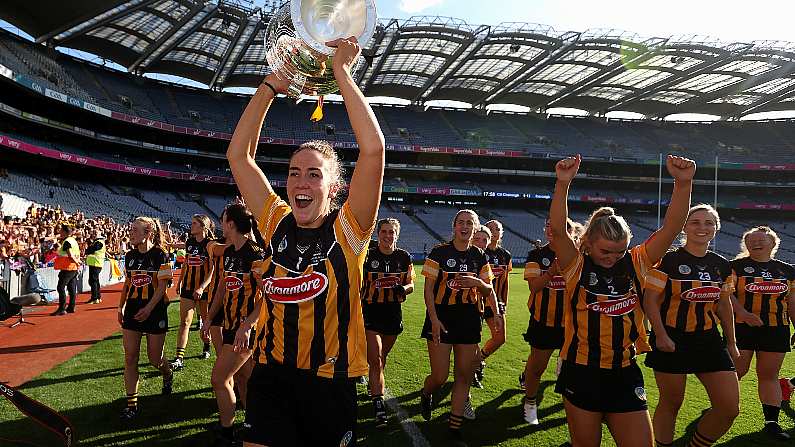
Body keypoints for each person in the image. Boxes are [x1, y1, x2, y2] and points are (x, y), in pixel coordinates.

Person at [227, 36, 384, 446]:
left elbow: (373, 151)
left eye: (314, 174)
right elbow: (239, 157)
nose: (301, 180)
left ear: (333, 188)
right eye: (295, 172)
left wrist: (342, 73)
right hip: (272, 376)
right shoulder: (276, 220)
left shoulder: (349, 230)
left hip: (330, 384)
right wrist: (271, 85)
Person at [549, 154, 695, 447]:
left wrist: (683, 184)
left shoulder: (637, 262)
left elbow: (672, 229)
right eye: (606, 251)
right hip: (581, 372)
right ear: (588, 243)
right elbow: (557, 231)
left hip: (625, 372)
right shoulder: (576, 265)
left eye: (620, 251)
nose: (613, 258)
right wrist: (563, 183)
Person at [644, 204, 739, 447]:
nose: (702, 227)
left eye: (709, 223)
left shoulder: (723, 265)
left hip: (708, 339)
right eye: (695, 222)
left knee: (729, 407)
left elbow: (724, 305)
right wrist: (661, 336)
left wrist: (731, 342)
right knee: (671, 402)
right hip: (672, 338)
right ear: (684, 226)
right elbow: (650, 301)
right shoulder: (667, 261)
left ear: (716, 229)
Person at [420, 209, 502, 447]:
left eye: (469, 223)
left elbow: (488, 289)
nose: (465, 227)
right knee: (440, 376)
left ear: (475, 228)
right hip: (441, 318)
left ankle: (454, 429)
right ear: (454, 226)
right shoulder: (439, 252)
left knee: (464, 376)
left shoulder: (480, 256)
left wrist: (495, 312)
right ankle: (426, 394)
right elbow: (428, 291)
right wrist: (433, 319)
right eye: (461, 222)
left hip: (468, 320)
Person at [202, 204, 265, 446]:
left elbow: (267, 298)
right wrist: (209, 317)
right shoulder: (228, 252)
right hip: (229, 326)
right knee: (244, 380)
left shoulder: (255, 256)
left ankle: (227, 432)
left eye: (223, 219)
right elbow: (221, 287)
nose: (220, 223)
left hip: (244, 332)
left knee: (219, 379)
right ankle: (254, 427)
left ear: (231, 224)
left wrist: (247, 325)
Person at [730, 226, 795, 440]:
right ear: (746, 244)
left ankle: (772, 423)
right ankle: (722, 410)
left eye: (762, 240)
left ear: (773, 243)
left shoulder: (787, 271)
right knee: (737, 371)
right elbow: (726, 295)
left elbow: (792, 303)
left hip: (776, 330)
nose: (756, 243)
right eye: (752, 240)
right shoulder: (735, 267)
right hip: (741, 328)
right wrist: (744, 313)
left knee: (769, 375)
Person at [520, 218, 577, 425]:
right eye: (549, 227)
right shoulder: (537, 255)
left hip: (572, 325)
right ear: (545, 230)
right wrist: (553, 271)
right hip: (543, 321)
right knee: (537, 368)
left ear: (569, 231)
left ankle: (574, 408)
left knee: (572, 371)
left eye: (560, 228)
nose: (553, 231)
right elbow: (534, 287)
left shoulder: (578, 256)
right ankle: (530, 402)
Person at [118, 217, 174, 420]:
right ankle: (131, 405)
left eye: (135, 230)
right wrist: (120, 306)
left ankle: (167, 374)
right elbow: (128, 283)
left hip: (155, 310)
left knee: (154, 358)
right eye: (131, 229)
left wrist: (149, 308)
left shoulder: (161, 255)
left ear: (147, 233)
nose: (131, 233)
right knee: (130, 357)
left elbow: (162, 286)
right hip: (133, 310)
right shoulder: (129, 256)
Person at [360, 218, 415, 428]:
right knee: (376, 360)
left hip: (393, 314)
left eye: (391, 232)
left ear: (397, 235)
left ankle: (373, 385)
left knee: (382, 359)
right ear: (378, 234)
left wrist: (404, 289)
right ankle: (378, 406)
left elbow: (411, 283)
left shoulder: (404, 257)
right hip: (370, 313)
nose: (387, 235)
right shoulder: (368, 256)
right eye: (384, 231)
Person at [171, 214, 216, 370]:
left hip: (204, 289)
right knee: (184, 322)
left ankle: (206, 346)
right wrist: (180, 281)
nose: (191, 226)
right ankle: (179, 358)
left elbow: (213, 269)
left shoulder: (210, 244)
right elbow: (186, 264)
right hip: (188, 288)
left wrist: (202, 286)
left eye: (194, 223)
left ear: (203, 226)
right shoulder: (189, 242)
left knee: (205, 321)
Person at [51, 224, 81, 316]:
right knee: (71, 288)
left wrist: (77, 262)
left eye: (61, 230)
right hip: (73, 268)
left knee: (60, 287)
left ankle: (61, 308)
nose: (59, 232)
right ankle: (71, 307)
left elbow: (70, 255)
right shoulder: (73, 241)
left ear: (64, 232)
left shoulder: (67, 242)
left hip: (67, 268)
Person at [84, 229, 106, 304]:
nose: (93, 234)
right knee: (95, 281)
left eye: (95, 233)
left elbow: (90, 250)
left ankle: (94, 298)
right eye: (93, 233)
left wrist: (87, 249)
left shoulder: (99, 242)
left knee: (93, 281)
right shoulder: (97, 242)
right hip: (95, 263)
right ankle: (98, 297)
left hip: (96, 263)